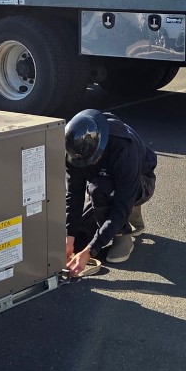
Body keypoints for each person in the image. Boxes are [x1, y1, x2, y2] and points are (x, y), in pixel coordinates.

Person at [63, 109, 157, 278]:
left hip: (141, 182)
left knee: (100, 190)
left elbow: (121, 204)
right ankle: (125, 213)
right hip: (106, 183)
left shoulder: (123, 146)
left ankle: (123, 235)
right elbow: (74, 195)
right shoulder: (74, 147)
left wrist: (90, 251)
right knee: (80, 238)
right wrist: (69, 235)